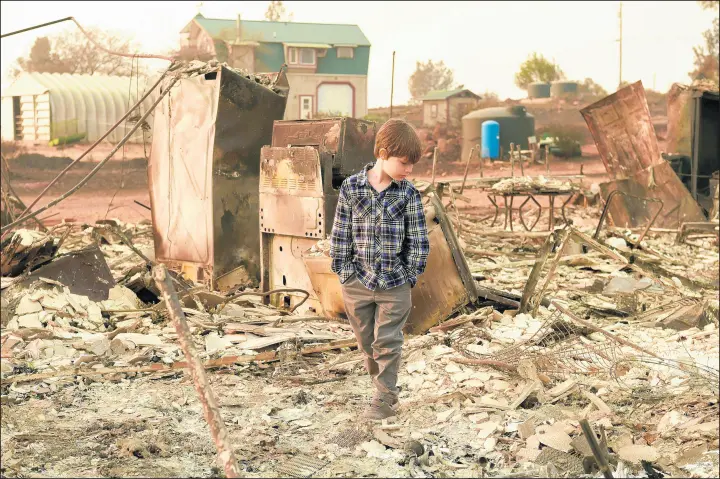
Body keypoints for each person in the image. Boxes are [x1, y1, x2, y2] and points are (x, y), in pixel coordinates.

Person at [330, 118, 430, 420]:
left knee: (388, 341)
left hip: (395, 283)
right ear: (383, 153)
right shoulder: (352, 187)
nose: (409, 170)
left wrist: (410, 274)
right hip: (357, 280)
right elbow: (340, 233)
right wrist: (343, 271)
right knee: (367, 341)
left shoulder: (408, 194)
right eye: (404, 162)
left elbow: (418, 240)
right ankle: (379, 382)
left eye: (413, 164)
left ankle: (385, 397)